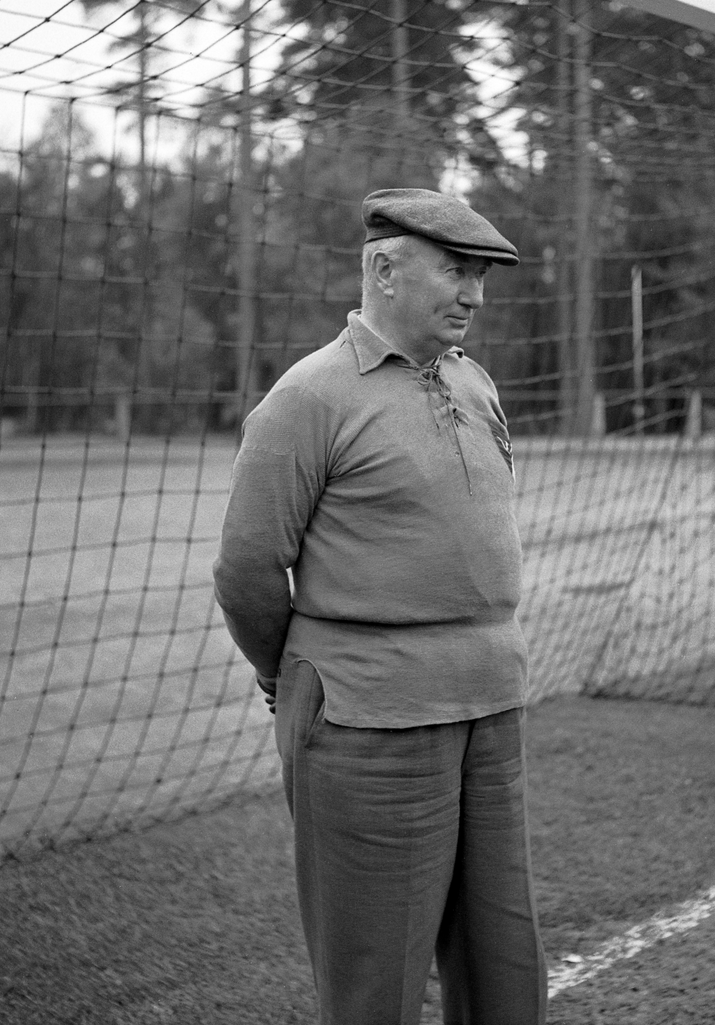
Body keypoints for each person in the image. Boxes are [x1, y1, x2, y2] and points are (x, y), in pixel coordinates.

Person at [213, 188, 547, 1025]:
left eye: (481, 276)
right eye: (456, 270)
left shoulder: (473, 382)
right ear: (384, 270)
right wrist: (287, 678)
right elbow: (247, 570)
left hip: (489, 709)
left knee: (504, 960)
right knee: (376, 982)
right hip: (370, 719)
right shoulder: (308, 397)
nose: (474, 294)